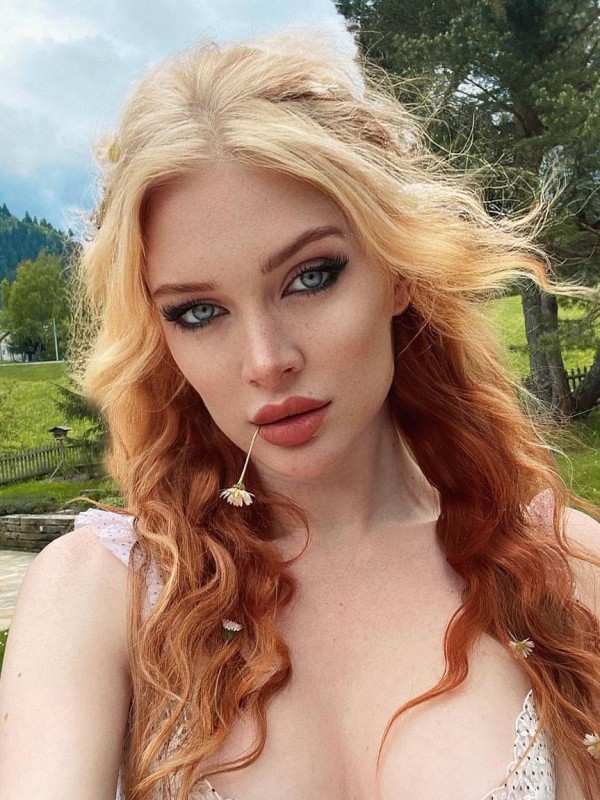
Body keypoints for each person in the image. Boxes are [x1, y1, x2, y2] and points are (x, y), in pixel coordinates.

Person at [1, 27, 599, 800]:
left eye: (311, 276)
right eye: (197, 312)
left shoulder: (565, 570)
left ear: (397, 270)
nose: (265, 360)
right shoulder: (101, 595)